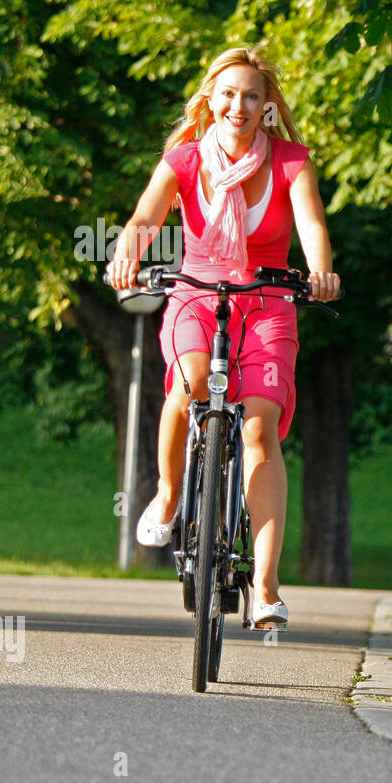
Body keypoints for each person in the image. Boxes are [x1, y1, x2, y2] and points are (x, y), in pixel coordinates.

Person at [104, 46, 340, 628]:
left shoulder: (290, 161)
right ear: (210, 99)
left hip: (267, 304)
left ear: (266, 107)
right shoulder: (183, 160)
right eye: (229, 93)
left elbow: (310, 224)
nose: (240, 104)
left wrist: (319, 271)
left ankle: (265, 585)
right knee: (186, 391)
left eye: (253, 95)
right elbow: (143, 222)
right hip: (195, 295)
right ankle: (167, 493)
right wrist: (126, 258)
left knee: (259, 428)